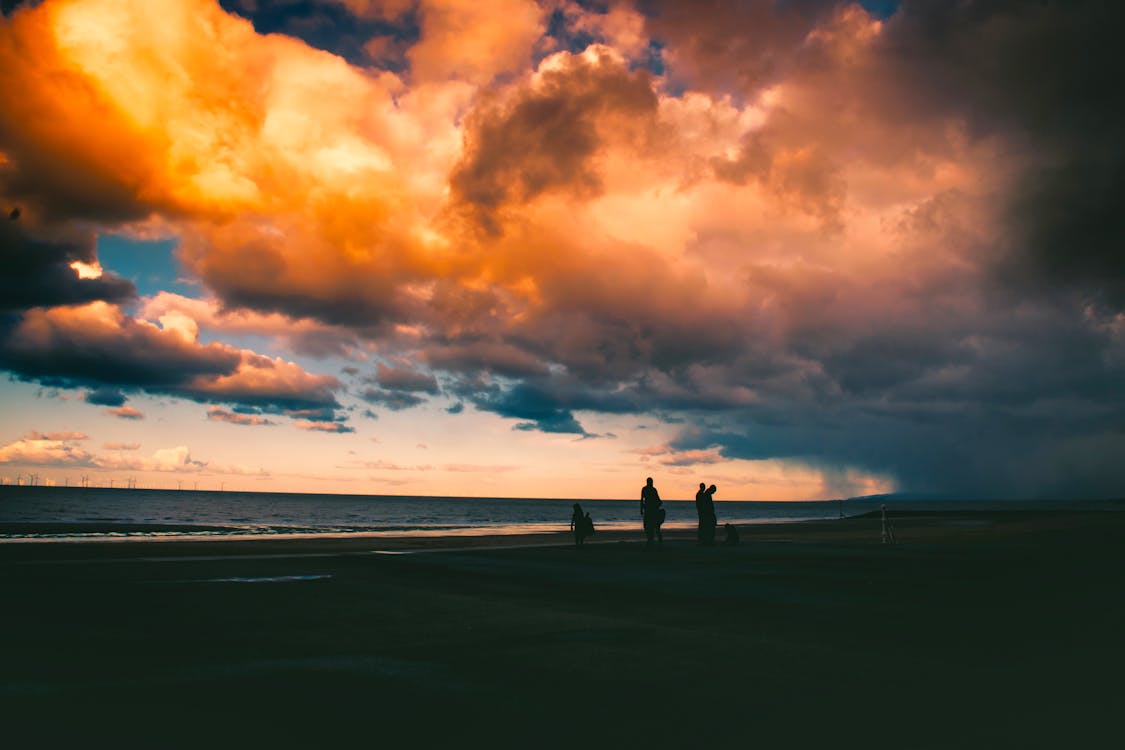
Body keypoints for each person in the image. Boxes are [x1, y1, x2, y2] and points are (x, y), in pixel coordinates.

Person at [640, 477, 664, 548]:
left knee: (649, 526)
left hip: (650, 510)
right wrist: (641, 509)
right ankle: (654, 540)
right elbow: (642, 499)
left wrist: (641, 509)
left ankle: (652, 540)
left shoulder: (647, 489)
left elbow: (642, 500)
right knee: (652, 526)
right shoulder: (652, 489)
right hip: (651, 510)